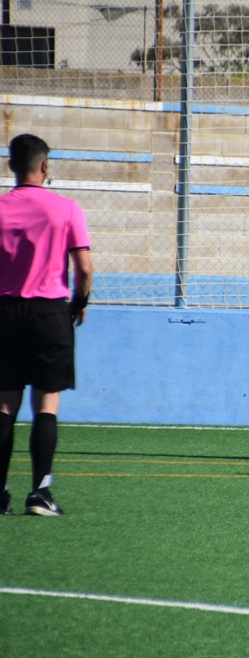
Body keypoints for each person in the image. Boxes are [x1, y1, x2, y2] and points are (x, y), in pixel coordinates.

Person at [0, 134, 93, 516]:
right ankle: (40, 494)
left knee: (4, 404)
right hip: (49, 314)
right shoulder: (67, 208)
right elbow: (84, 268)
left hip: (5, 313)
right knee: (46, 405)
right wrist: (78, 304)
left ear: (11, 166)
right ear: (45, 165)